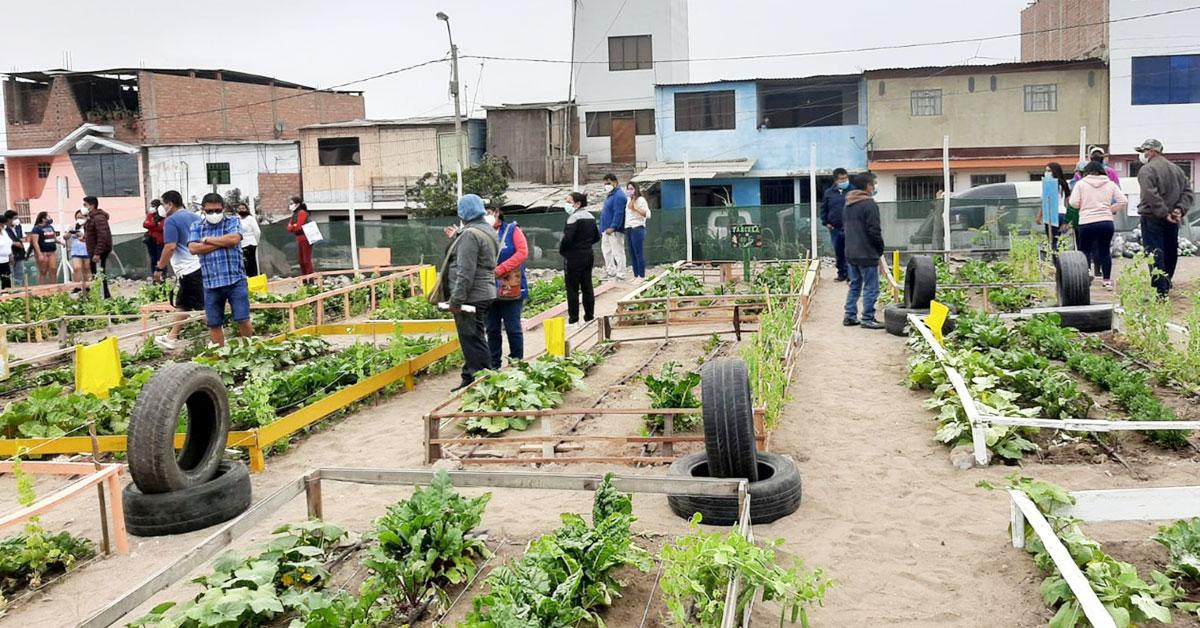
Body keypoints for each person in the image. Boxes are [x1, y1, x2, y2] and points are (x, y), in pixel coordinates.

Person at [439, 194, 498, 390]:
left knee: (472, 338)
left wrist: (456, 300)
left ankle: (481, 381)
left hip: (472, 295)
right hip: (485, 291)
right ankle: (470, 377)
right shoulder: (487, 231)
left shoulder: (470, 235)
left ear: (463, 212)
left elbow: (466, 271)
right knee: (473, 336)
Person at [188, 193, 252, 347]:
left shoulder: (233, 221)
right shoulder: (197, 226)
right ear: (203, 210)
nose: (213, 214)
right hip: (211, 283)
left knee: (243, 318)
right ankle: (220, 352)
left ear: (223, 208)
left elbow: (234, 239)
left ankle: (250, 349)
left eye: (217, 210)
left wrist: (207, 240)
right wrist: (222, 242)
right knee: (214, 322)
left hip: (235, 280)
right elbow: (193, 248)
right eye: (209, 211)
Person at [1135, 139, 1195, 299]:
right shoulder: (1177, 169)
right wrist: (1179, 210)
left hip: (1152, 217)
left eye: (1143, 151)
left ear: (1151, 151)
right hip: (1173, 218)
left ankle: (1160, 289)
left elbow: (1150, 194)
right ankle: (1167, 282)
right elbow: (1188, 192)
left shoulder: (1147, 170)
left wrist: (1163, 212)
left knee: (1154, 251)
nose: (1142, 155)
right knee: (1170, 250)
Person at [153, 191, 205, 350]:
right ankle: (171, 337)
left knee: (203, 308)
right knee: (183, 305)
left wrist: (159, 268)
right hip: (201, 265)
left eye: (162, 204)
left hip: (189, 269)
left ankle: (219, 340)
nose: (161, 208)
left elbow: (170, 247)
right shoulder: (196, 217)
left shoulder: (171, 220)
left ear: (170, 204)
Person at [1070, 161, 1127, 290]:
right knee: (1104, 250)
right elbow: (1123, 200)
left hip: (1086, 222)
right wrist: (1111, 209)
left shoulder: (1081, 184)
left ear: (1087, 172)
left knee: (1085, 250)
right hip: (1106, 221)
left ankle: (1086, 274)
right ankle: (1106, 280)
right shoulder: (1110, 184)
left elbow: (1073, 203)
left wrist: (1084, 207)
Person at [486, 205, 528, 369]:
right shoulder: (480, 233)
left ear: (496, 213)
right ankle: (493, 364)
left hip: (511, 285)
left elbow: (522, 252)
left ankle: (516, 362)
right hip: (488, 288)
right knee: (492, 328)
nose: (485, 217)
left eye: (488, 213)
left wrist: (501, 269)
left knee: (513, 327)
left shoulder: (512, 230)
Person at [842, 172, 885, 330]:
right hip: (867, 252)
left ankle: (850, 315)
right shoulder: (869, 204)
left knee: (855, 285)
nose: (874, 187)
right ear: (868, 186)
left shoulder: (848, 204)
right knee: (871, 287)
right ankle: (868, 317)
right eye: (873, 184)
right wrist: (879, 248)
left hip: (851, 252)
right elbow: (874, 231)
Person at [559, 191, 601, 327]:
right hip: (588, 254)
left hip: (573, 257)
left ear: (577, 204)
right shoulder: (590, 217)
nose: (567, 205)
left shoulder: (573, 218)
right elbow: (596, 237)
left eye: (569, 202)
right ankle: (589, 317)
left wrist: (563, 251)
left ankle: (573, 320)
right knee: (587, 286)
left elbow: (567, 239)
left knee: (572, 289)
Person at [820, 167, 851, 281]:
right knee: (839, 251)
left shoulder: (853, 191)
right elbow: (824, 209)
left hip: (851, 227)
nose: (844, 181)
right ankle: (841, 273)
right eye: (841, 179)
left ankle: (850, 275)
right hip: (835, 228)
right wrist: (826, 222)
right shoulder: (829, 193)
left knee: (850, 251)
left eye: (846, 178)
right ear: (835, 181)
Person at [1037, 162, 1072, 255]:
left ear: (1054, 172)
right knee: (1058, 239)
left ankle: (1055, 262)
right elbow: (1069, 203)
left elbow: (1045, 202)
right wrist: (1068, 220)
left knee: (1052, 242)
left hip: (1051, 214)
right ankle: (1061, 258)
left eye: (1049, 170)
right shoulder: (1064, 184)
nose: (1046, 172)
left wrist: (1039, 216)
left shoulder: (1048, 185)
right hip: (1062, 213)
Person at [82, 196, 113, 298]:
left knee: (99, 274)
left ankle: (104, 296)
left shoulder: (98, 217)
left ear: (92, 205)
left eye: (85, 205)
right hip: (93, 250)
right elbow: (93, 233)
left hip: (98, 251)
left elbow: (102, 235)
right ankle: (101, 295)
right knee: (96, 274)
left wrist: (98, 252)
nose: (84, 207)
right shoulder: (90, 218)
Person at [598, 173, 627, 281]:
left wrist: (614, 226)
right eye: (605, 183)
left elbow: (618, 213)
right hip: (606, 229)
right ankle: (611, 272)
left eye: (609, 183)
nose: (606, 185)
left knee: (617, 251)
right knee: (607, 251)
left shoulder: (619, 196)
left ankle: (621, 274)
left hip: (614, 230)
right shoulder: (610, 195)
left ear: (615, 182)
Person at [624, 181, 651, 283]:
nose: (629, 191)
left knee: (638, 252)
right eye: (628, 189)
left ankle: (641, 275)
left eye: (631, 189)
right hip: (629, 227)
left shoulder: (641, 200)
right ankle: (636, 274)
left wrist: (635, 208)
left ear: (636, 189)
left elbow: (647, 214)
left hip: (638, 227)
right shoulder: (628, 200)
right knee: (632, 253)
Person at [285, 196, 315, 277]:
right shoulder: (294, 214)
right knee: (301, 261)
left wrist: (293, 226)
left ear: (297, 204)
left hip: (305, 238)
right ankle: (305, 278)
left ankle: (310, 278)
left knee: (306, 260)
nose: (290, 205)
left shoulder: (302, 212)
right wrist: (293, 226)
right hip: (299, 238)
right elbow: (289, 228)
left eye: (292, 203)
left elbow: (298, 227)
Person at [28, 212, 60, 285]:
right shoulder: (36, 228)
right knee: (43, 271)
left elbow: (54, 238)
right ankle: (41, 289)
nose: (50, 218)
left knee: (53, 269)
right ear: (43, 219)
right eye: (48, 216)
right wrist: (39, 254)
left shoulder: (51, 227)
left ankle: (53, 288)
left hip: (52, 251)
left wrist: (60, 242)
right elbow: (35, 242)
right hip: (43, 252)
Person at [68, 210, 92, 292]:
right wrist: (69, 231)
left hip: (87, 249)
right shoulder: (74, 226)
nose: (79, 219)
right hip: (76, 250)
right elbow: (66, 236)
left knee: (87, 268)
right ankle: (77, 286)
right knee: (77, 268)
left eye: (81, 217)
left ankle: (88, 286)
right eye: (77, 217)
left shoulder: (89, 226)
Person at [237, 202, 261, 277]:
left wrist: (256, 242)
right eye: (240, 209)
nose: (241, 210)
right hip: (241, 244)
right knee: (244, 264)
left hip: (250, 243)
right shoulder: (237, 219)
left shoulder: (250, 219)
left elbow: (257, 231)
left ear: (247, 209)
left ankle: (254, 278)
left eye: (243, 208)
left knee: (251, 263)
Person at [4, 211, 26, 287]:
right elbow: (4, 241)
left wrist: (22, 240)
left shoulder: (18, 226)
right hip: (9, 254)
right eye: (15, 218)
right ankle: (11, 290)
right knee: (10, 274)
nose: (17, 220)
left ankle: (19, 290)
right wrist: (14, 243)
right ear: (8, 219)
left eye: (17, 218)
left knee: (20, 273)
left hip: (20, 253)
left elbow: (20, 237)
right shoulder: (3, 229)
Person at [144, 199, 166, 275]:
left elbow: (162, 227)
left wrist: (153, 226)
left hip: (160, 241)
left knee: (162, 259)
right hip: (151, 240)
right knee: (153, 259)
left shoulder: (163, 216)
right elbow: (145, 224)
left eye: (153, 206)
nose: (152, 208)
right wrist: (155, 224)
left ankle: (163, 276)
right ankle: (154, 275)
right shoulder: (150, 215)